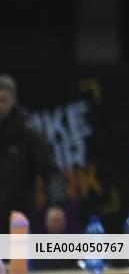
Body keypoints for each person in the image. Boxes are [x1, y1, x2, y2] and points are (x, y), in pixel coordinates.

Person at [0, 74, 66, 234]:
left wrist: (55, 204)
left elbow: (51, 171)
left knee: (17, 258)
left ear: (13, 101)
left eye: (3, 100)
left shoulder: (27, 132)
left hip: (17, 224)